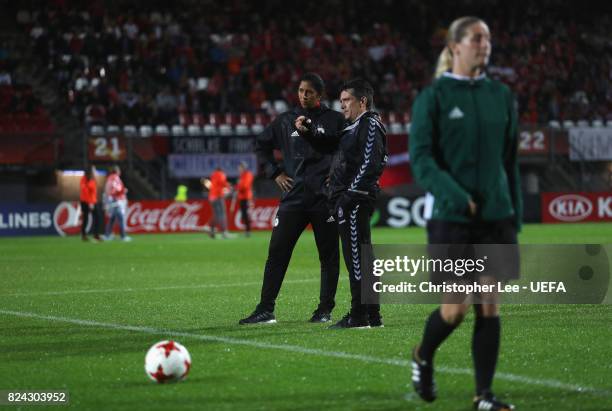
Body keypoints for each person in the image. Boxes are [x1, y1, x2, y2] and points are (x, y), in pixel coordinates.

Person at [408, 17, 522, 411]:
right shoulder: (433, 98)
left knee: (489, 302)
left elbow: (510, 162)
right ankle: (423, 355)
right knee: (455, 310)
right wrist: (457, 195)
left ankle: (483, 395)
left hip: (496, 217)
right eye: (477, 38)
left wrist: (514, 215)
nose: (485, 44)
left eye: (488, 38)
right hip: (452, 218)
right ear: (455, 46)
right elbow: (421, 161)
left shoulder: (502, 96)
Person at [239, 72, 344, 325]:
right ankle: (265, 309)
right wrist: (274, 172)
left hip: (324, 199)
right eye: (300, 90)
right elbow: (260, 145)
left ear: (320, 94)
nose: (303, 95)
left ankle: (324, 310)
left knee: (328, 256)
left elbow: (346, 150)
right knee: (277, 252)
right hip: (293, 199)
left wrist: (338, 174)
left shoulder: (335, 120)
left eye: (308, 91)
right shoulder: (285, 121)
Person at [297, 78, 387, 329]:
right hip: (350, 199)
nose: (342, 106)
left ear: (363, 101)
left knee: (356, 259)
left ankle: (359, 315)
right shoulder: (355, 127)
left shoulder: (369, 125)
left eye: (347, 100)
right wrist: (310, 133)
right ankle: (372, 315)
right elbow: (331, 144)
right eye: (341, 101)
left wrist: (347, 198)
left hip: (354, 200)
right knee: (362, 258)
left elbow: (371, 163)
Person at [202, 166, 231, 239]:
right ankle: (224, 232)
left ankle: (209, 228)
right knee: (222, 214)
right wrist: (228, 187)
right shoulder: (221, 174)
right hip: (218, 196)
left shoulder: (213, 175)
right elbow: (222, 182)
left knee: (217, 215)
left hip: (212, 197)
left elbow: (212, 185)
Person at [104, 165, 131, 242]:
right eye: (119, 170)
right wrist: (123, 191)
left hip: (112, 199)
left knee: (112, 218)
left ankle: (107, 235)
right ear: (117, 171)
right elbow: (116, 189)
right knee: (120, 218)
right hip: (115, 200)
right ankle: (123, 236)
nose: (120, 172)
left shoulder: (110, 177)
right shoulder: (115, 178)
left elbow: (108, 190)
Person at [79, 164, 101, 242]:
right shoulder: (85, 179)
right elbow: (85, 192)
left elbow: (93, 192)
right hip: (86, 201)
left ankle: (95, 234)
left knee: (96, 217)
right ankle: (86, 234)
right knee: (87, 218)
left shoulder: (92, 179)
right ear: (91, 171)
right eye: (94, 170)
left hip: (93, 201)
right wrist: (90, 203)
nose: (95, 171)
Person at [235, 162, 254, 237]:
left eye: (240, 167)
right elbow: (239, 186)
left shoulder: (248, 175)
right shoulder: (242, 176)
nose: (239, 169)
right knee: (244, 214)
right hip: (242, 198)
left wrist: (238, 187)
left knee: (246, 214)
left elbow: (245, 186)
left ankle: (248, 230)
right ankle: (247, 230)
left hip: (246, 197)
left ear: (244, 168)